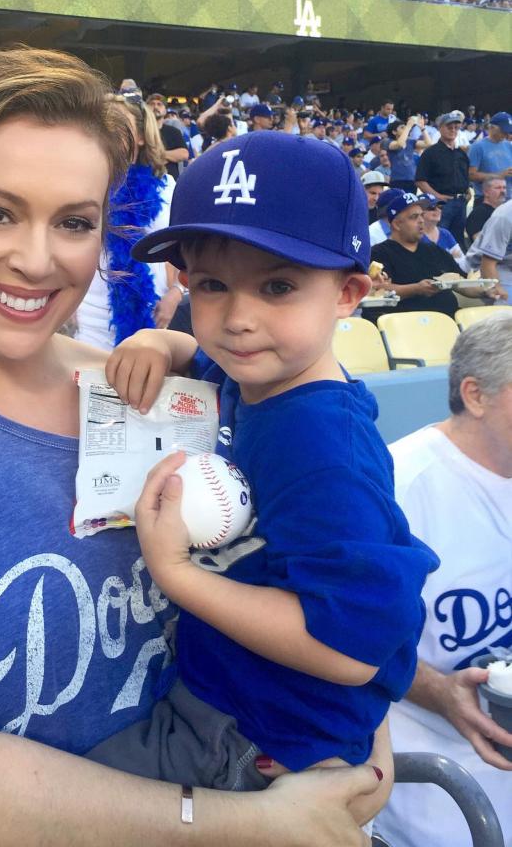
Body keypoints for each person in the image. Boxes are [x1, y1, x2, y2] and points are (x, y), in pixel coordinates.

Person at [0, 48, 386, 847]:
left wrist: (365, 727)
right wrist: (245, 824)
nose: (37, 260)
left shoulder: (163, 389)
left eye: (73, 222)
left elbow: (320, 585)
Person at [88, 133, 429, 802]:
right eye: (212, 285)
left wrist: (176, 575)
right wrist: (164, 339)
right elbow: (207, 351)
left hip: (260, 743)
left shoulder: (319, 442)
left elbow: (351, 652)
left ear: (348, 293)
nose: (239, 319)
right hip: (233, 700)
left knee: (49, 805)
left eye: (279, 285)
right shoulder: (262, 375)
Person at [374, 314, 512, 847]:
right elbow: (334, 641)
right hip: (435, 777)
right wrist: (439, 693)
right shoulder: (397, 487)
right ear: (475, 395)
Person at [75, 96, 180, 349]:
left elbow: (180, 251)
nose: (108, 132)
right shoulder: (81, 184)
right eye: (101, 124)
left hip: (151, 311)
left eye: (118, 124)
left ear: (141, 136)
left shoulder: (166, 189)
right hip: (91, 317)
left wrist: (176, 294)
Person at [415, 111, 471, 249]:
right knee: (438, 240)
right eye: (449, 127)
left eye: (456, 127)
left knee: (458, 242)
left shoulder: (461, 154)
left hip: (461, 202)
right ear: (440, 128)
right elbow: (420, 180)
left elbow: (465, 176)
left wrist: (468, 190)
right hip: (441, 205)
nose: (453, 130)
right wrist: (437, 197)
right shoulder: (430, 153)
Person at [467, 197, 512, 302]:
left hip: (508, 263)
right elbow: (487, 265)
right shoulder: (504, 217)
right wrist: (497, 290)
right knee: (506, 300)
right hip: (488, 266)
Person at [468, 111, 512, 199]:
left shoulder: (508, 145)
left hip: (507, 199)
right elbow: (471, 175)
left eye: (509, 131)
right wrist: (498, 176)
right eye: (504, 131)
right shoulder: (478, 146)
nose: (507, 134)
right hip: (486, 199)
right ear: (492, 127)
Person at [465, 176, 506, 242]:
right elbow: (481, 244)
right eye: (498, 188)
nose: (502, 191)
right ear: (486, 192)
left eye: (504, 188)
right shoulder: (478, 214)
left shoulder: (504, 211)